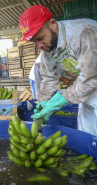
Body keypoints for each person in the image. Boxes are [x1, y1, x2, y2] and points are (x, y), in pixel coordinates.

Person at [19, 5, 97, 136]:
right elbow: (49, 78)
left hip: (91, 80)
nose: (39, 46)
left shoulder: (84, 32)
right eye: (34, 42)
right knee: (87, 132)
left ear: (53, 24)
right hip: (86, 89)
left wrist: (59, 101)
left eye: (40, 38)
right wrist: (43, 101)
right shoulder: (48, 49)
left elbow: (91, 76)